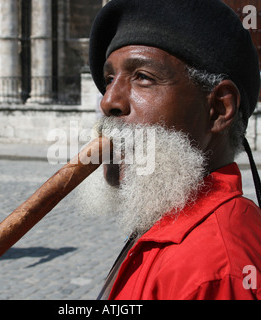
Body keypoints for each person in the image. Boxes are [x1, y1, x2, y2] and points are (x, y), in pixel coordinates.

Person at [79, 0, 261, 300]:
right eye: (110, 79)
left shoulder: (213, 271)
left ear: (218, 109)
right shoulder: (171, 221)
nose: (108, 101)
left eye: (142, 77)